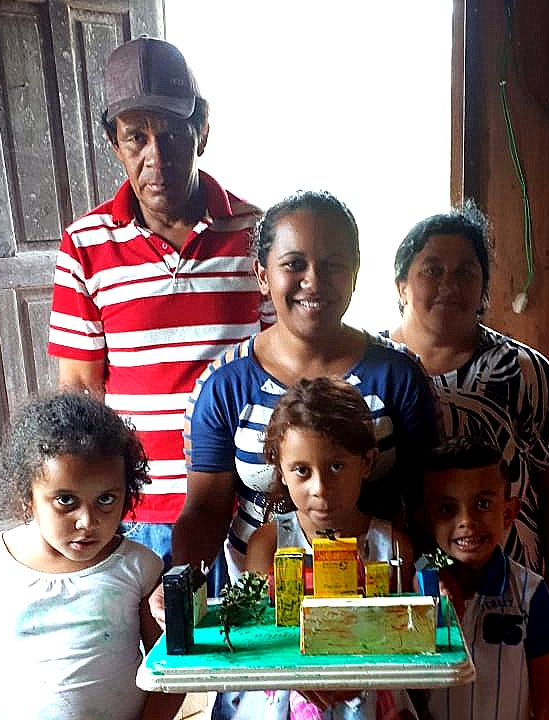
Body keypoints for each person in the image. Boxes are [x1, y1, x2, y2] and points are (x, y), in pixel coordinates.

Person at [152, 190, 438, 720]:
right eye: (294, 264)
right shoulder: (226, 384)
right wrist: (180, 586)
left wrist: (440, 582)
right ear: (263, 276)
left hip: (375, 613)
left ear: (355, 274)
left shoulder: (397, 376)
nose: (314, 281)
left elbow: (428, 505)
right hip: (264, 612)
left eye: (333, 265)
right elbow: (206, 509)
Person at [47, 36, 273, 571]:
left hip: (246, 506)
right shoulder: (84, 245)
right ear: (113, 142)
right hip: (136, 513)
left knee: (251, 649)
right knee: (153, 650)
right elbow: (81, 391)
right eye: (136, 137)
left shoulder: (255, 233)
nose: (157, 156)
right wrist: (97, 505)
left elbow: (282, 362)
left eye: (173, 134)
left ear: (204, 131)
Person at [386, 200, 549, 607]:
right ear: (402, 286)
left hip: (510, 594)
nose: (449, 284)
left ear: (483, 289)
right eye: (432, 270)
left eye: (465, 272)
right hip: (399, 592)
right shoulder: (372, 371)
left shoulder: (523, 373)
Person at [0, 392, 184, 720]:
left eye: (105, 499)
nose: (87, 522)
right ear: (26, 494)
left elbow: (171, 669)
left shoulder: (139, 568)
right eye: (65, 501)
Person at [241, 375, 416, 720]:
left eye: (336, 466)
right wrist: (296, 674)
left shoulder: (391, 546)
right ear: (281, 468)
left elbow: (405, 637)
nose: (320, 488)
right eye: (302, 471)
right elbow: (256, 634)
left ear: (366, 462)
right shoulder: (269, 544)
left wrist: (358, 676)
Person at [419, 436, 549, 720]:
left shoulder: (531, 593)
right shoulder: (419, 585)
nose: (466, 521)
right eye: (447, 508)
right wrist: (427, 567)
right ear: (427, 520)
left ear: (508, 512)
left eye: (482, 504)